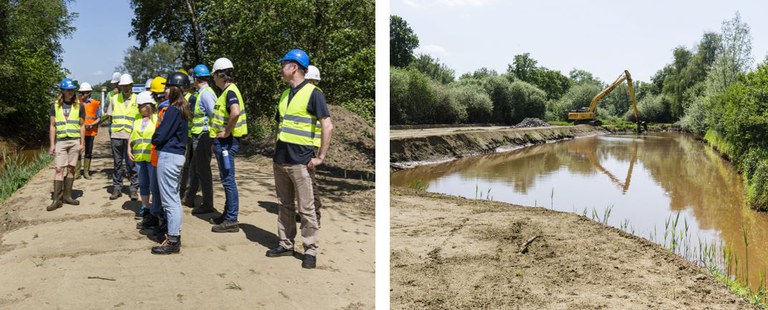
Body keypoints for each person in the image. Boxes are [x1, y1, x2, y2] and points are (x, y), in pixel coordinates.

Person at [266, 49, 333, 269]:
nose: (280, 68)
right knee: (284, 205)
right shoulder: (285, 95)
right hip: (281, 159)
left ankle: (310, 250)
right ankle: (285, 244)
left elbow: (327, 125)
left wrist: (320, 157)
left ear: (294, 67)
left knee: (306, 208)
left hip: (301, 161)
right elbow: (280, 125)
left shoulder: (314, 93)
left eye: (283, 64)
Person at [150, 72, 192, 254]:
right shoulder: (181, 109)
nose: (165, 90)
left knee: (170, 200)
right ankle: (173, 236)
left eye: (167, 87)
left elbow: (160, 134)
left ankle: (173, 240)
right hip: (174, 156)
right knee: (173, 198)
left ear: (175, 89)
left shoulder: (173, 110)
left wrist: (155, 138)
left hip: (169, 156)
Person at [208, 57, 248, 233]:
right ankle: (227, 214)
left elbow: (235, 113)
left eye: (214, 75)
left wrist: (226, 132)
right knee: (226, 180)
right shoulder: (227, 92)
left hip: (227, 142)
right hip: (223, 142)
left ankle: (231, 219)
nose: (213, 79)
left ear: (219, 75)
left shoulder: (230, 92)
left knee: (228, 180)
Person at [47, 78, 85, 211]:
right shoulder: (55, 106)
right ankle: (56, 199)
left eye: (72, 90)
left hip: (74, 141)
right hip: (61, 141)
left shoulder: (79, 106)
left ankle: (67, 196)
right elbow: (52, 126)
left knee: (71, 169)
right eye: (68, 90)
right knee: (59, 169)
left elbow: (82, 125)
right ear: (62, 91)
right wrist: (52, 144)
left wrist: (82, 143)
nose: (71, 92)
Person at [183, 64, 216, 214]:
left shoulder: (206, 94)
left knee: (203, 171)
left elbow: (214, 115)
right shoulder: (203, 92)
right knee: (194, 169)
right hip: (198, 136)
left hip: (204, 136)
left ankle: (208, 203)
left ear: (195, 79)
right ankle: (189, 198)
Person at [137, 76, 167, 231]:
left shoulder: (163, 113)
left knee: (160, 190)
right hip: (154, 157)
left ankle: (162, 221)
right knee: (154, 188)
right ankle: (155, 216)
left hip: (160, 157)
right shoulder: (163, 111)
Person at [107, 73, 140, 201]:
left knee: (132, 163)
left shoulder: (137, 99)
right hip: (117, 135)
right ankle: (117, 188)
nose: (125, 88)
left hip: (131, 136)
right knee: (117, 163)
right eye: (123, 86)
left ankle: (133, 189)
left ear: (131, 85)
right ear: (120, 86)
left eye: (127, 85)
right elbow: (110, 117)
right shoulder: (114, 99)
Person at [128, 91, 157, 220]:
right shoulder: (137, 118)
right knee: (143, 184)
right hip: (139, 158)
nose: (139, 108)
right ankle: (145, 207)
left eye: (140, 106)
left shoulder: (157, 118)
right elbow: (132, 134)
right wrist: (129, 148)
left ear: (148, 105)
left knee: (154, 185)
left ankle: (156, 208)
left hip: (152, 158)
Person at [301, 65, 324, 226]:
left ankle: (315, 214)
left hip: (309, 144)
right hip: (305, 143)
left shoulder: (314, 94)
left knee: (309, 180)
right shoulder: (311, 94)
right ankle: (306, 212)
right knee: (304, 180)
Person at [76, 82, 101, 180]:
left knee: (88, 152)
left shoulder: (95, 103)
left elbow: (99, 117)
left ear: (89, 93)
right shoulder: (77, 103)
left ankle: (86, 172)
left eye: (84, 93)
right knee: (78, 151)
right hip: (79, 131)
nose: (82, 95)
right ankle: (77, 172)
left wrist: (92, 124)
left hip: (90, 132)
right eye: (81, 93)